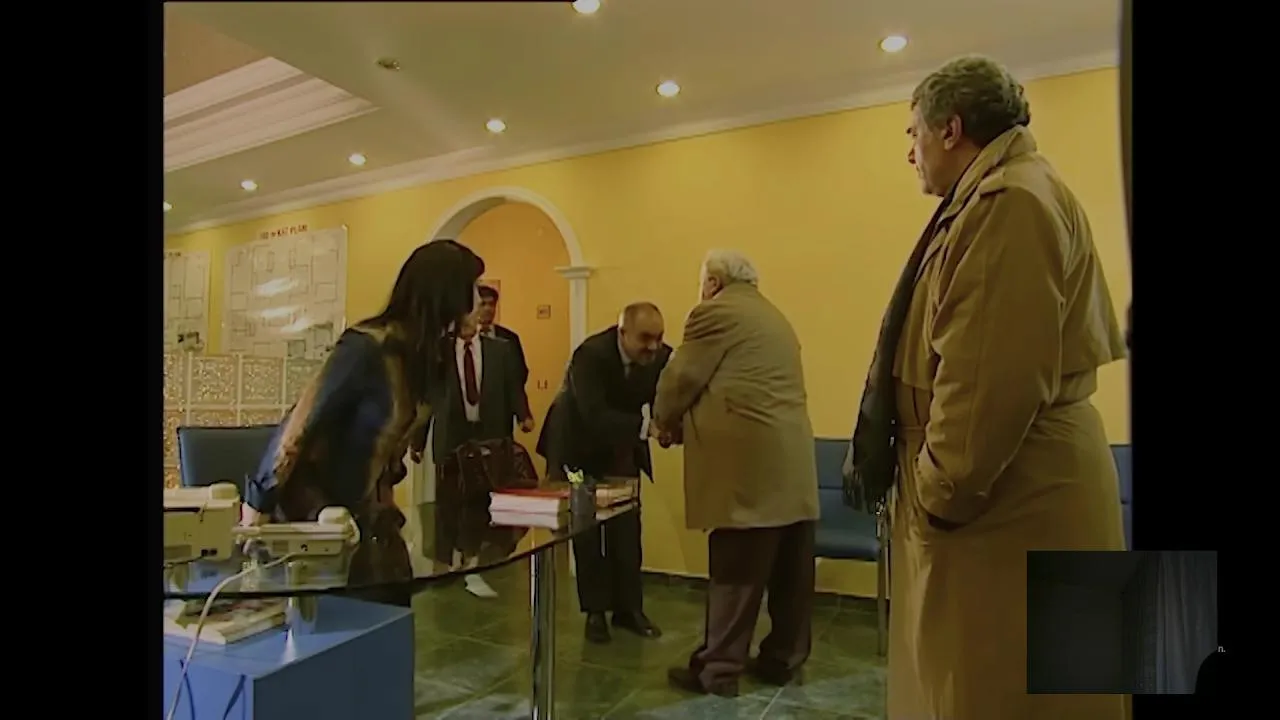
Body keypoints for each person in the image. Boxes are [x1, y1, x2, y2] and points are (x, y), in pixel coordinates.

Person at [845, 55, 1128, 719]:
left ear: (951, 129)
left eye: (913, 133)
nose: (909, 152)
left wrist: (937, 497)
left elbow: (984, 387)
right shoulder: (1001, 193)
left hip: (1002, 503)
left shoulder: (1009, 202)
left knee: (995, 694)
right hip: (1004, 493)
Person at [242, 239, 486, 607]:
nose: (480, 300)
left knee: (393, 612)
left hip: (372, 523)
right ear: (447, 294)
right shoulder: (367, 348)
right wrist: (256, 506)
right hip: (319, 521)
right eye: (474, 288)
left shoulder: (429, 357)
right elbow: (300, 424)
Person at [654, 250, 820, 698]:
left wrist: (663, 422)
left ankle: (718, 671)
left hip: (748, 468)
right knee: (791, 573)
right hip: (793, 462)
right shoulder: (774, 316)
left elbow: (681, 379)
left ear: (713, 282)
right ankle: (782, 659)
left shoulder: (715, 312)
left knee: (736, 570)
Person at [536, 302, 671, 644]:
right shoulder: (590, 355)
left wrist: (670, 424)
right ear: (622, 332)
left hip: (621, 450)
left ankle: (629, 610)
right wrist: (649, 429)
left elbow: (669, 395)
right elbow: (592, 413)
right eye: (645, 338)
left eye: (659, 338)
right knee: (586, 528)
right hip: (575, 454)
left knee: (627, 526)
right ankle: (594, 613)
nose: (653, 346)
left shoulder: (661, 356)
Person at [428, 310, 534, 597]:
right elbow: (428, 396)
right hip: (451, 434)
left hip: (489, 432)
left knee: (481, 499)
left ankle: (474, 562)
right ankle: (448, 560)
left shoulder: (501, 350)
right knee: (448, 498)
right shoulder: (439, 351)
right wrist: (415, 439)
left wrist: (523, 415)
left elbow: (513, 387)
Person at [475, 285, 531, 416]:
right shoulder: (465, 338)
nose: (488, 309)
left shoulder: (509, 338)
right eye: (483, 304)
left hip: (501, 410)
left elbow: (520, 373)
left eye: (492, 304)